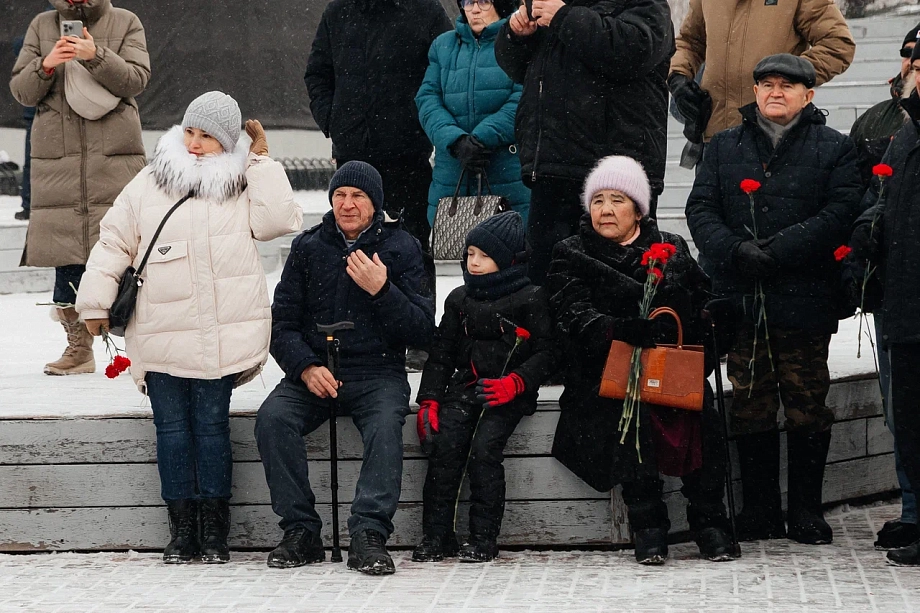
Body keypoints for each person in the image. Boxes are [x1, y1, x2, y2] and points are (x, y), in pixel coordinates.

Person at [75, 92, 303, 564]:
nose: (196, 144)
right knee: (173, 432)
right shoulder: (149, 181)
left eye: (210, 137)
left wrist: (260, 161)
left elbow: (280, 221)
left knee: (212, 430)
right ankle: (182, 532)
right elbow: (114, 240)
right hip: (160, 327)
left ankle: (215, 532)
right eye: (191, 132)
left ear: (230, 142)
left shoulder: (242, 183)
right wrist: (95, 301)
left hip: (219, 332)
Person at [685, 54, 863, 546]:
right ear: (756, 92)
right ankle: (760, 509)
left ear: (809, 94)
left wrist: (782, 248)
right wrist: (736, 249)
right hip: (743, 297)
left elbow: (842, 209)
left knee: (807, 403)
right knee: (749, 403)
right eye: (767, 84)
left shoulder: (835, 148)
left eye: (788, 85)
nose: (775, 93)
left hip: (804, 298)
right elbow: (700, 209)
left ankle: (806, 509)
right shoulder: (723, 147)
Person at [547, 155, 734, 565]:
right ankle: (648, 525)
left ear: (638, 209)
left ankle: (710, 521)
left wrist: (710, 316)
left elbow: (699, 303)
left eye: (617, 199)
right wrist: (618, 328)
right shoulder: (571, 252)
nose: (606, 210)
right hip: (606, 372)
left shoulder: (672, 248)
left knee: (699, 417)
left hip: (668, 368)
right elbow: (571, 315)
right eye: (597, 200)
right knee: (630, 418)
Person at [255, 161, 436, 575]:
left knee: (387, 426)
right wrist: (305, 367)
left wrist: (382, 290)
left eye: (358, 196)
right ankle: (300, 531)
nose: (348, 204)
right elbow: (280, 324)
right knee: (272, 419)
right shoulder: (308, 248)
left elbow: (424, 330)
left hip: (377, 373)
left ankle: (368, 533)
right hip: (315, 372)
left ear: (375, 204)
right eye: (340, 195)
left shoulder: (401, 247)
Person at [10, 0, 149, 376]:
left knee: (127, 254)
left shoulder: (125, 21)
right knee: (67, 252)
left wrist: (95, 55)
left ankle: (143, 347)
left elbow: (136, 80)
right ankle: (78, 349)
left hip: (113, 155)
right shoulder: (42, 25)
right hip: (60, 159)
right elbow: (22, 92)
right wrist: (46, 64)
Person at [494, 0, 674, 284]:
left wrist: (565, 17)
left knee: (619, 287)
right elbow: (518, 69)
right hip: (552, 166)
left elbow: (636, 49)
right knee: (547, 286)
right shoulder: (556, 6)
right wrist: (517, 36)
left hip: (614, 175)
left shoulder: (642, 4)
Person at [413, 212, 555, 563]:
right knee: (445, 449)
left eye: (483, 256)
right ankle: (437, 534)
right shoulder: (460, 299)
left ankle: (483, 537)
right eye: (470, 254)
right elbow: (441, 355)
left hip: (507, 392)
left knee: (484, 451)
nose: (473, 263)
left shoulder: (531, 298)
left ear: (507, 260)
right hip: (465, 389)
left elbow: (548, 353)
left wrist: (517, 382)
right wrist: (430, 399)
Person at [847, 25, 919, 553]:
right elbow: (879, 194)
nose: (917, 67)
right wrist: (862, 238)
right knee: (905, 413)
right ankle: (915, 513)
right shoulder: (898, 127)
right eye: (913, 58)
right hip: (899, 295)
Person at [668, 0, 854, 166]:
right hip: (713, 137)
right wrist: (678, 76)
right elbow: (689, 42)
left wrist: (788, 75)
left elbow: (837, 45)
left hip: (777, 139)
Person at [416, 0, 530, 228]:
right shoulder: (443, 46)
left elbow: (524, 99)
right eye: (468, 2)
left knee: (510, 250)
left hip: (505, 172)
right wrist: (456, 140)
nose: (475, 9)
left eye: (484, 2)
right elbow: (427, 99)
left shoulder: (519, 43)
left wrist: (482, 138)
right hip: (453, 174)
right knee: (466, 252)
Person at [12, 36, 34, 222]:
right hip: (36, 110)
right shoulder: (41, 26)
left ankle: (28, 206)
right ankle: (28, 205)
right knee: (32, 160)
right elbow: (19, 47)